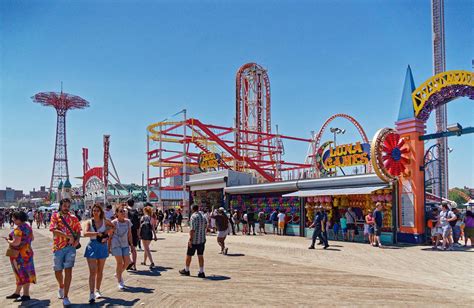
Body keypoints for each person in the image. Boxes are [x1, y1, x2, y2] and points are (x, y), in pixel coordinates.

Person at [49, 198, 81, 306]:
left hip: (70, 248)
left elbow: (78, 231)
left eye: (68, 206)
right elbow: (53, 229)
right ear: (61, 206)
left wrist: (77, 241)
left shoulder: (74, 218)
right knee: (57, 270)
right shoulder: (55, 216)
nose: (66, 208)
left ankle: (66, 296)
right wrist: (67, 236)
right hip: (58, 247)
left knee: (68, 271)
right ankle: (61, 286)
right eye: (64, 206)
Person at [83, 204, 115, 303]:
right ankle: (91, 293)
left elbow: (113, 227)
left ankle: (97, 290)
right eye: (94, 210)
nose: (95, 212)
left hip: (102, 246)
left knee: (100, 270)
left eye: (97, 210)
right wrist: (97, 234)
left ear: (101, 211)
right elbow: (85, 233)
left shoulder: (105, 221)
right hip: (92, 246)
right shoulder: (89, 222)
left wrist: (107, 234)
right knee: (93, 271)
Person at [4, 211, 36, 302]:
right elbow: (32, 238)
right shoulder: (28, 227)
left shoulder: (18, 229)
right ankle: (17, 292)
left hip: (19, 255)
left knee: (22, 273)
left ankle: (26, 295)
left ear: (18, 219)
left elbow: (16, 243)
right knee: (25, 272)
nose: (13, 220)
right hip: (28, 252)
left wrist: (8, 241)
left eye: (14, 218)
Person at [179, 204, 207, 278]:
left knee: (189, 255)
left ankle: (187, 270)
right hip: (201, 239)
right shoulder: (203, 216)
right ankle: (201, 271)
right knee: (200, 255)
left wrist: (190, 240)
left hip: (194, 240)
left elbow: (192, 230)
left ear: (192, 209)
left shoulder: (193, 217)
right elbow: (206, 226)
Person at [111, 205, 133, 289]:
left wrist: (131, 245)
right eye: (121, 211)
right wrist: (108, 246)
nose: (123, 213)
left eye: (124, 211)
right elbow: (110, 235)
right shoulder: (114, 222)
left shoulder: (128, 222)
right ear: (117, 213)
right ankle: (120, 281)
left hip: (125, 244)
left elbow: (129, 234)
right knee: (119, 263)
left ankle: (118, 274)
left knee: (127, 262)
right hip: (116, 244)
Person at [126, 199, 140, 271]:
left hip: (127, 231)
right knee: (133, 249)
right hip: (134, 231)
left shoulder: (125, 210)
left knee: (125, 249)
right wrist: (138, 233)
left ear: (127, 203)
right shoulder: (136, 211)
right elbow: (138, 223)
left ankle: (129, 262)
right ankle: (134, 265)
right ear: (133, 203)